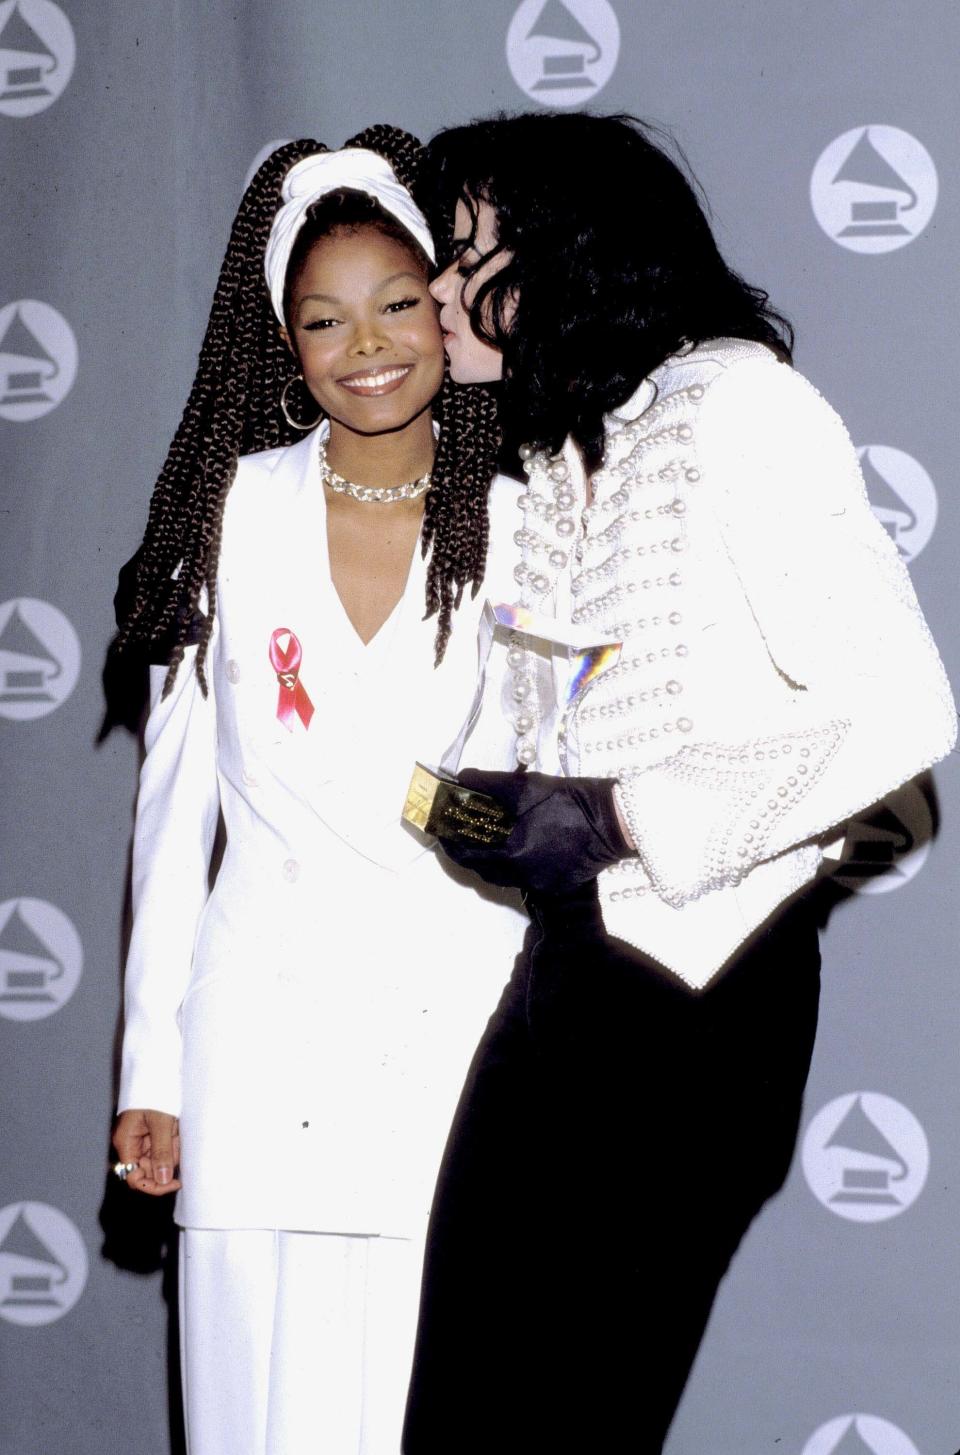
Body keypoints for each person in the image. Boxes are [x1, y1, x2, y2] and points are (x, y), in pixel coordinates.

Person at [401, 112, 957, 1454]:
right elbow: (535, 738)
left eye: (467, 249)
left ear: (571, 256)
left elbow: (897, 702)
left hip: (708, 991)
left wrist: (617, 815)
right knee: (461, 1413)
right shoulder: (550, 449)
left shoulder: (738, 403)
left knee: (573, 1416)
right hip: (564, 975)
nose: (434, 289)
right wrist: (466, 801)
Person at [109, 125, 525, 1455]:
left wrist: (421, 806)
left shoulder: (530, 517)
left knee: (439, 1405)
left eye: (399, 304)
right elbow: (172, 829)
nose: (370, 346)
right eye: (326, 320)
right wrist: (150, 1069)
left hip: (454, 1035)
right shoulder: (223, 517)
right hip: (258, 1056)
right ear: (284, 346)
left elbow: (551, 812)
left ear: (448, 312)